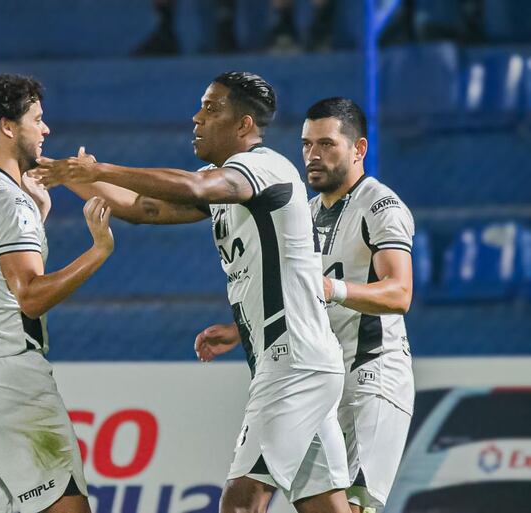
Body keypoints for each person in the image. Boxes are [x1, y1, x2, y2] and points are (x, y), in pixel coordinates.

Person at [33, 71, 351, 513]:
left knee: (239, 503)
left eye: (212, 108)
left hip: (292, 361)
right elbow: (142, 208)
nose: (197, 117)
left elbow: (194, 187)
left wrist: (101, 168)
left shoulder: (263, 167)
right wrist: (66, 175)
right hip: (295, 358)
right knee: (327, 506)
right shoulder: (227, 179)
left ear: (243, 125)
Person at [0, 74, 114, 513]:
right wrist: (98, 250)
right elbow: (30, 296)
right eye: (37, 118)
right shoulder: (9, 202)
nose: (46, 129)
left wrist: (38, 212)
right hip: (8, 378)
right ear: (8, 127)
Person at [303, 97, 414, 513]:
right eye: (307, 144)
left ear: (358, 149)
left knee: (354, 508)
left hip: (373, 379)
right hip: (326, 381)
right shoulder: (307, 212)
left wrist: (334, 289)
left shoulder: (381, 206)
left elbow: (400, 293)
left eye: (327, 144)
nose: (314, 155)